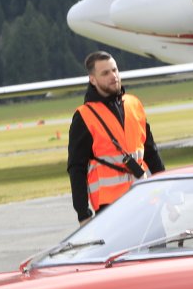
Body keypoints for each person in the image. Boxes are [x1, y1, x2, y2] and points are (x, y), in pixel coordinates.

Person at [68, 51, 165, 223]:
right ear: (92, 80)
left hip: (145, 197)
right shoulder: (84, 116)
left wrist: (167, 192)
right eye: (105, 73)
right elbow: (77, 168)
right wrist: (83, 213)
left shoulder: (134, 104)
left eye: (115, 70)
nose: (113, 76)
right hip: (111, 207)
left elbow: (151, 152)